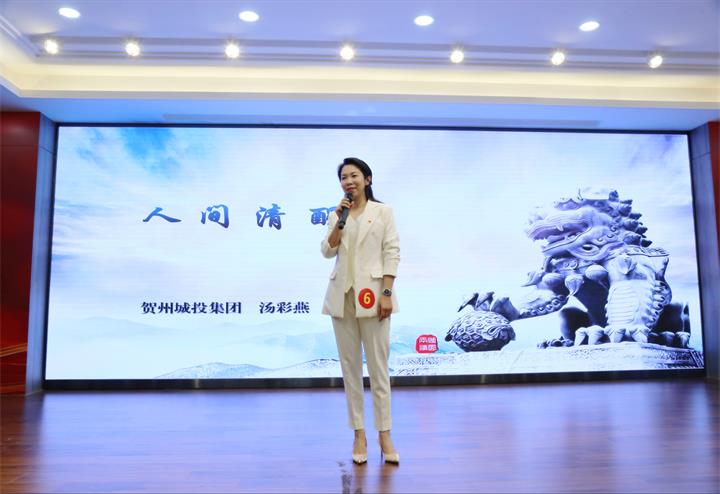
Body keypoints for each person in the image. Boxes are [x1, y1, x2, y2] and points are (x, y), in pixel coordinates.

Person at [321, 157, 400, 465]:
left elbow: (391, 251)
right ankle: (359, 434)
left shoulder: (383, 212)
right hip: (342, 298)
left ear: (367, 179)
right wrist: (338, 221)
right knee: (350, 370)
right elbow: (327, 251)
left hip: (374, 296)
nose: (348, 181)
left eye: (354, 175)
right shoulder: (336, 214)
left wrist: (386, 293)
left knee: (379, 369)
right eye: (344, 177)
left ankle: (385, 434)